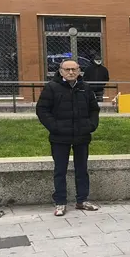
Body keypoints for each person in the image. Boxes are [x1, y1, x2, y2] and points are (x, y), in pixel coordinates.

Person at [35, 59, 101, 217]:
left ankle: (82, 200)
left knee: (82, 169)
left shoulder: (85, 87)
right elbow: (42, 110)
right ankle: (60, 202)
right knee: (60, 170)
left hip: (82, 136)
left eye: (74, 69)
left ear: (79, 71)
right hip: (59, 138)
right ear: (61, 71)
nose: (71, 72)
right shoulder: (52, 87)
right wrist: (55, 127)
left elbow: (94, 109)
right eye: (67, 69)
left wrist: (91, 125)